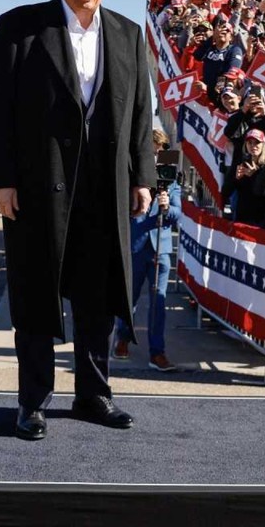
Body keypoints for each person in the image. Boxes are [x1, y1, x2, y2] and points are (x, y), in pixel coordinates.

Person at [0, 0, 155, 440]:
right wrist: (1, 180)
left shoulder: (127, 34)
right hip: (38, 191)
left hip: (104, 191)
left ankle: (94, 395)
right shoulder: (20, 28)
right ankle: (32, 402)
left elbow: (140, 117)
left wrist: (141, 177)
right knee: (36, 297)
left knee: (98, 298)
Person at [113, 129, 181, 371]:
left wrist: (165, 206)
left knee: (158, 304)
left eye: (158, 151)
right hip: (135, 245)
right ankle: (122, 338)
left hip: (160, 249)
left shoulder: (171, 179)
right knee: (128, 298)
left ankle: (157, 351)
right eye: (150, 151)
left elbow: (177, 214)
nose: (155, 156)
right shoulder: (130, 177)